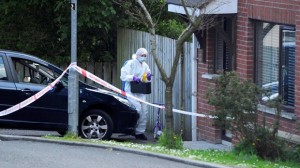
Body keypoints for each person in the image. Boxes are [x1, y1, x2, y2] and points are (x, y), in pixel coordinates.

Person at [120, 48, 152, 140]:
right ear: (137, 55)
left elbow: (147, 76)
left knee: (144, 111)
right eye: (142, 55)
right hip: (130, 89)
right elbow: (123, 76)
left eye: (145, 55)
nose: (144, 57)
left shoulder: (145, 65)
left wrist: (148, 76)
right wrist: (133, 77)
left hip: (140, 90)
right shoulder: (130, 63)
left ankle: (139, 132)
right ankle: (129, 128)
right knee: (137, 108)